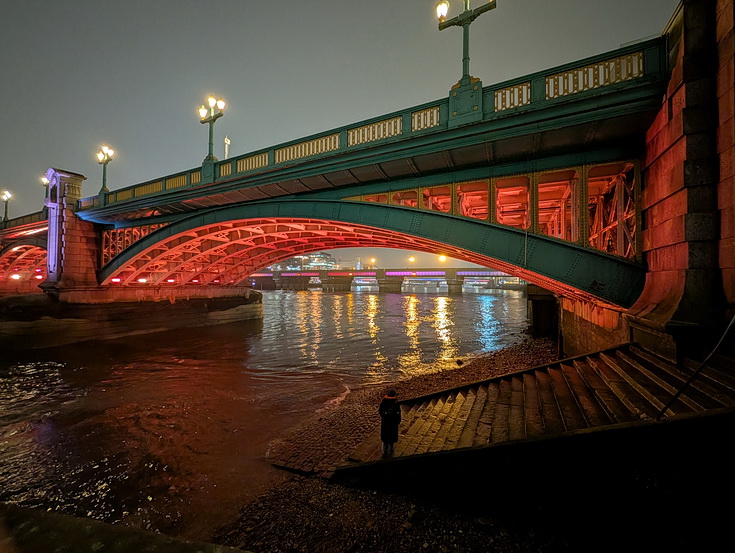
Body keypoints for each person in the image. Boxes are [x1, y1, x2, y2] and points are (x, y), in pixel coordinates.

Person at [378, 388, 401, 458]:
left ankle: (384, 451)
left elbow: (380, 411)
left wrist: (384, 416)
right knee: (391, 438)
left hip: (385, 422)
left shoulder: (384, 401)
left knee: (385, 438)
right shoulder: (396, 402)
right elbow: (398, 413)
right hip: (393, 423)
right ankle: (389, 451)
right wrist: (398, 421)